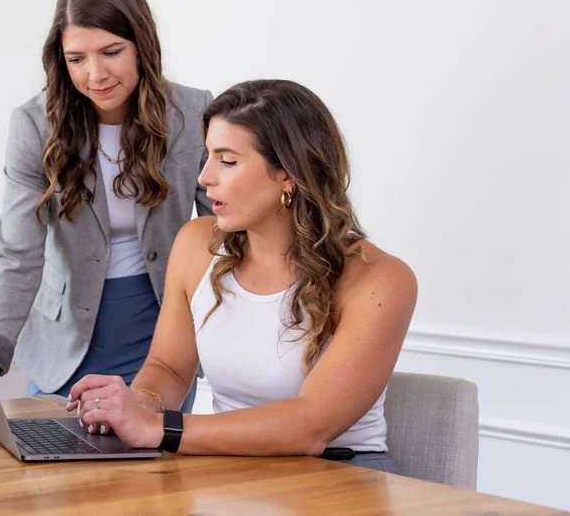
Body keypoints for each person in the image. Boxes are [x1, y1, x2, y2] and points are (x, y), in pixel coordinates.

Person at [66, 79, 417, 472]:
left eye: (227, 161)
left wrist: (157, 427)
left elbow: (310, 426)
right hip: (226, 470)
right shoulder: (196, 245)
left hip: (340, 478)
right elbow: (169, 367)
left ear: (289, 174)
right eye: (208, 156)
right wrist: (137, 403)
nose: (204, 177)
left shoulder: (380, 280)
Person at [0, 0, 212, 412]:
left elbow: (228, 234)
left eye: (111, 52)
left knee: (151, 469)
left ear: (142, 46)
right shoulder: (36, 126)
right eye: (77, 58)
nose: (95, 75)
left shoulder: (193, 113)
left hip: (162, 332)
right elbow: (18, 255)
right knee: (55, 463)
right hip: (67, 335)